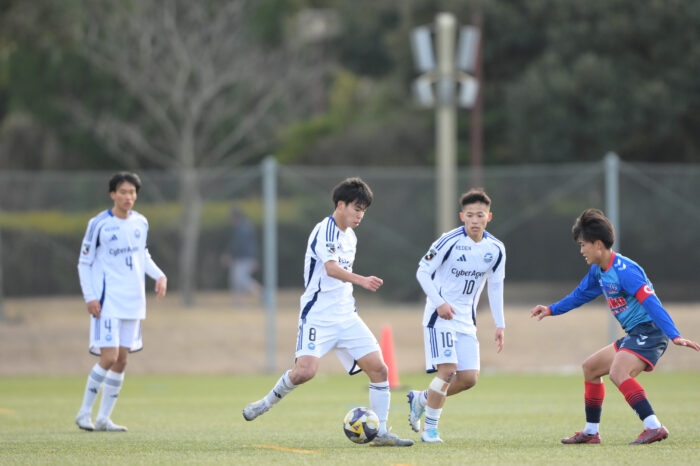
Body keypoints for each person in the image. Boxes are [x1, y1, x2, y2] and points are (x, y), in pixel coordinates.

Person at [242, 177, 413, 447]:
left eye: (364, 211)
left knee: (380, 369)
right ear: (340, 205)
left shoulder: (351, 237)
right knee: (304, 372)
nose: (360, 215)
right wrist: (362, 280)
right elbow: (331, 269)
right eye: (357, 208)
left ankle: (380, 433)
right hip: (318, 317)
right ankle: (265, 403)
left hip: (346, 316)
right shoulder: (325, 231)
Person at [530, 208, 700, 445]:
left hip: (650, 331)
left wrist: (675, 335)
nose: (581, 251)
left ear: (598, 244)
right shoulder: (598, 271)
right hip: (636, 333)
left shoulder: (625, 271)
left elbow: (651, 302)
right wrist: (551, 309)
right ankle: (591, 432)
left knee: (618, 372)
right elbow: (579, 295)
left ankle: (654, 426)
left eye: (583, 245)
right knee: (590, 368)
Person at [407, 188, 506, 443]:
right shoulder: (448, 240)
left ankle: (421, 399)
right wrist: (439, 303)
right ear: (462, 216)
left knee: (469, 378)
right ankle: (430, 430)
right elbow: (422, 272)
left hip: (466, 321)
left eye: (480, 215)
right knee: (449, 371)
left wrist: (500, 323)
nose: (475, 220)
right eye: (470, 215)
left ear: (489, 217)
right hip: (439, 317)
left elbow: (495, 286)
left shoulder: (496, 249)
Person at [74, 172, 167, 432]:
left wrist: (159, 275)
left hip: (133, 301)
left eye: (132, 192)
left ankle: (103, 418)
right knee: (109, 356)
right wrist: (90, 296)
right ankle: (84, 413)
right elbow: (84, 262)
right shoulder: (99, 224)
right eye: (123, 192)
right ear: (112, 194)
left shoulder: (141, 222)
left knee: (122, 360)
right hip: (108, 301)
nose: (128, 197)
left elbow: (142, 255)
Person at [220, 208, 261, 303]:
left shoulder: (243, 228)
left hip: (244, 258)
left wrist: (230, 255)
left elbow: (239, 245)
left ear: (236, 217)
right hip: (245, 258)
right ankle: (239, 302)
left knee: (241, 279)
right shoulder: (244, 226)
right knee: (237, 280)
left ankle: (262, 294)